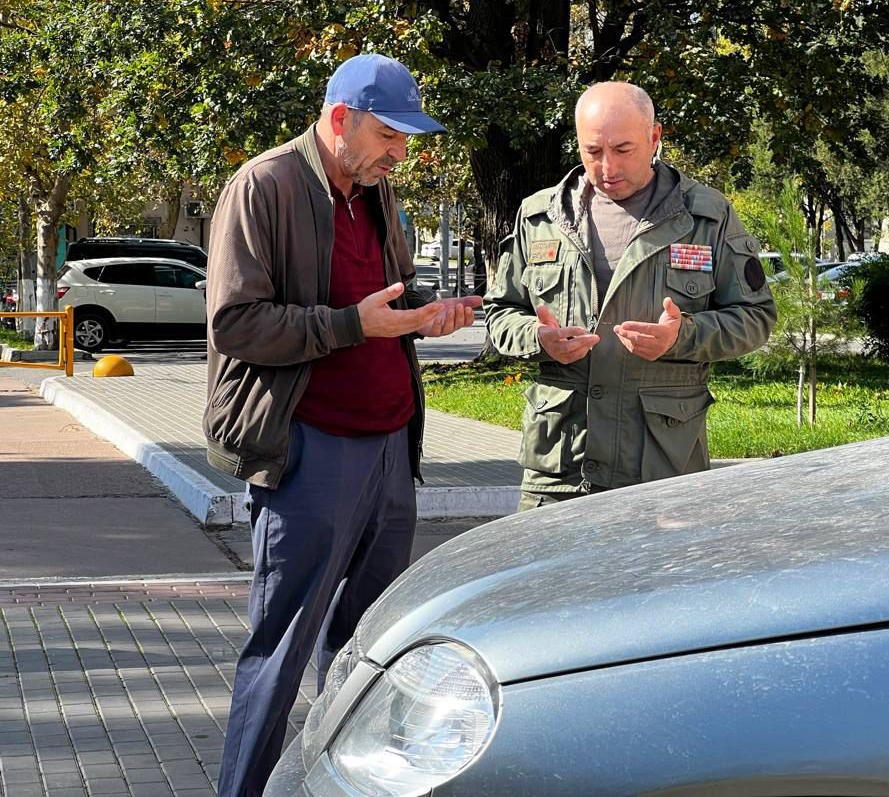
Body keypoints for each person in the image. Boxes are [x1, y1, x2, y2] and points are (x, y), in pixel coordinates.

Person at [203, 53, 482, 797]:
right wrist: (350, 325)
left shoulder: (375, 193)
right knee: (283, 650)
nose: (401, 153)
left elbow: (380, 301)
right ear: (340, 120)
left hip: (391, 449)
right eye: (390, 135)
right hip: (310, 451)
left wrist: (428, 312)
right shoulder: (263, 186)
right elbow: (236, 323)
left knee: (368, 650)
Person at [486, 81, 776, 509]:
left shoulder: (706, 216)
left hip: (661, 468)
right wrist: (537, 338)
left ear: (654, 137)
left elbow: (755, 317)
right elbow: (501, 313)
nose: (607, 167)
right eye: (593, 152)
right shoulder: (541, 217)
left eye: (624, 149)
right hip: (560, 469)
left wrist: (682, 336)